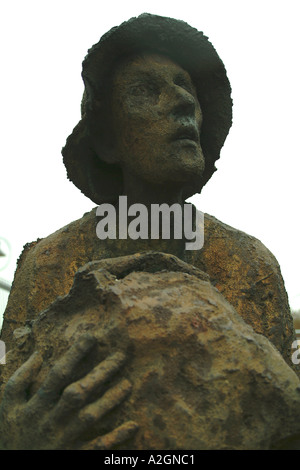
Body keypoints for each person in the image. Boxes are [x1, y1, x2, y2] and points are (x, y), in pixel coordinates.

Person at [0, 13, 296, 449]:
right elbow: (12, 396)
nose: (181, 101)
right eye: (145, 91)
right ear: (107, 142)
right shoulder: (49, 263)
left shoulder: (249, 264)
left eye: (185, 87)